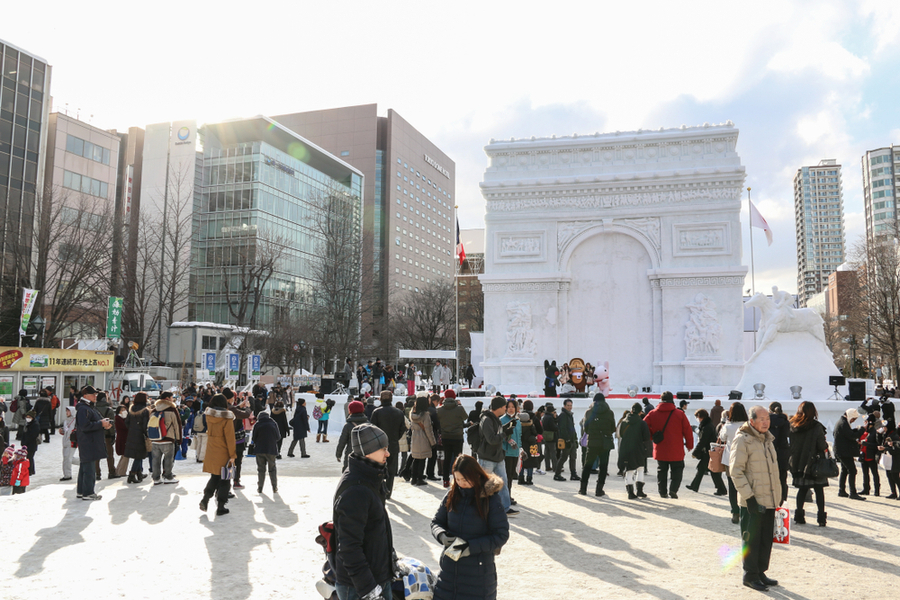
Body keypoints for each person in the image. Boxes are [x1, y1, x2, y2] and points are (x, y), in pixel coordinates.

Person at [431, 454, 510, 600]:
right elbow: (436, 522)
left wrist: (470, 547)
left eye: (465, 479)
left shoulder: (490, 500)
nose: (461, 483)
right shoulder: (452, 495)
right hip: (448, 574)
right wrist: (442, 535)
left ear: (475, 475)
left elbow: (501, 535)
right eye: (458, 479)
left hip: (478, 576)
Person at [332, 423, 395, 600]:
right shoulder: (356, 490)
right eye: (383, 448)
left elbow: (375, 528)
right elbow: (349, 547)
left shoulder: (370, 477)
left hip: (376, 576)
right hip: (359, 586)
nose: (388, 453)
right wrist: (369, 590)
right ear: (368, 451)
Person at [729, 405, 782, 592]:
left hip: (769, 499)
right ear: (751, 421)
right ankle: (750, 575)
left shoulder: (767, 440)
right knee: (752, 539)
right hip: (752, 501)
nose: (766, 422)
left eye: (767, 418)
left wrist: (778, 494)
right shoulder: (743, 440)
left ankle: (760, 571)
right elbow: (736, 471)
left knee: (766, 538)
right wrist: (749, 498)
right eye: (761, 419)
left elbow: (772, 470)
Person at [644, 391, 694, 499]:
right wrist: (690, 444)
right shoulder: (680, 414)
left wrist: (652, 436)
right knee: (677, 469)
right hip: (676, 449)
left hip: (660, 448)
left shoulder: (652, 413)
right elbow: (688, 430)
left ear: (661, 400)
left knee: (662, 470)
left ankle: (662, 492)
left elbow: (644, 425)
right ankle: (673, 489)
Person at [788, 401, 829, 526]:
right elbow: (822, 445)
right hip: (815, 462)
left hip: (799, 462)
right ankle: (821, 518)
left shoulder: (792, 426)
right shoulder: (817, 427)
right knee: (819, 490)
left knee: (802, 490)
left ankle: (799, 516)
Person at [477, 395, 517, 516]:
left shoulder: (495, 418)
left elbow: (497, 433)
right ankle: (479, 506)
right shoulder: (487, 420)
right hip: (487, 457)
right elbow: (492, 439)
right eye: (504, 406)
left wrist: (507, 427)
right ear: (498, 407)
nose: (506, 409)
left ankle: (505, 508)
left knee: (503, 482)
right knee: (483, 484)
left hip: (498, 456)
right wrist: (505, 433)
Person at [200, 394, 236, 516]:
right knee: (225, 479)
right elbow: (230, 438)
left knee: (214, 477)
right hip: (224, 452)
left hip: (211, 450)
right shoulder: (227, 418)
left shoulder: (209, 416)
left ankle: (205, 498)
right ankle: (221, 506)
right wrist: (233, 454)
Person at [75, 386, 112, 500]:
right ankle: (88, 492)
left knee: (85, 467)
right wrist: (101, 424)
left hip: (89, 441)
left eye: (96, 394)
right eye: (93, 394)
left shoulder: (88, 407)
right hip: (88, 441)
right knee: (89, 469)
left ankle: (82, 491)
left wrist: (104, 424)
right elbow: (85, 426)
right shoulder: (84, 408)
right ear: (85, 396)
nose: (95, 396)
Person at [370, 390, 407, 498]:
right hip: (393, 444)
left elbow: (372, 429)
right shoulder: (399, 412)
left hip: (379, 445)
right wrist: (395, 438)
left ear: (381, 399)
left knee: (378, 468)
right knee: (391, 469)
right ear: (391, 399)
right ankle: (388, 492)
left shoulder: (377, 412)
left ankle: (379, 490)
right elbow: (402, 428)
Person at [579, 394, 616, 497]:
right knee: (603, 467)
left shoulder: (589, 412)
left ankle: (583, 489)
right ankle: (599, 490)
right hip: (605, 443)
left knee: (587, 466)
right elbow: (613, 427)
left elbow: (585, 428)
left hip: (593, 442)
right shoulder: (609, 412)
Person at [719, 402, 749, 523]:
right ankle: (745, 510)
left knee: (732, 486)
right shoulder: (748, 425)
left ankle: (735, 512)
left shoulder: (728, 426)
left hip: (729, 458)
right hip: (745, 458)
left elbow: (722, 438)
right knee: (745, 485)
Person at [686, 408, 727, 495]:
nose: (697, 419)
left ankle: (721, 489)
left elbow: (703, 441)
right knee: (705, 470)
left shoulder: (707, 426)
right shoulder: (707, 425)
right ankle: (695, 486)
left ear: (701, 417)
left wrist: (695, 452)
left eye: (697, 417)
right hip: (708, 451)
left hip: (709, 452)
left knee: (708, 470)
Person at [618, 403, 651, 499]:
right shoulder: (642, 423)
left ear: (631, 411)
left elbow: (621, 434)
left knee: (629, 470)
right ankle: (639, 490)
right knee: (640, 469)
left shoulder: (624, 421)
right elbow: (646, 437)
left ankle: (630, 492)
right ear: (640, 412)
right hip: (639, 448)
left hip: (626, 448)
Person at [149, 392, 183, 485]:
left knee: (155, 459)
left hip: (156, 439)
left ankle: (156, 478)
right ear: (167, 398)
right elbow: (177, 425)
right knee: (168, 459)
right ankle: (168, 476)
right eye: (172, 397)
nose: (173, 399)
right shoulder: (172, 409)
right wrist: (179, 439)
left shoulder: (154, 410)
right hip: (168, 438)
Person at [436, 389, 467, 488]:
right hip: (457, 436)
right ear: (454, 397)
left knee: (447, 459)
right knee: (458, 459)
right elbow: (465, 417)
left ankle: (445, 480)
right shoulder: (459, 408)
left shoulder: (440, 410)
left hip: (446, 437)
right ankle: (458, 480)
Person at [833, 407, 866, 500]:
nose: (853, 421)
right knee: (852, 470)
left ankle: (842, 490)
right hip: (844, 452)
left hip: (841, 451)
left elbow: (848, 434)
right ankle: (852, 493)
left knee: (845, 470)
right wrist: (862, 430)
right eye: (853, 419)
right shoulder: (843, 423)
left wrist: (856, 430)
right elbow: (852, 436)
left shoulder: (842, 422)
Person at [409, 394, 437, 486]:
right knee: (422, 460)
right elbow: (429, 431)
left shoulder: (412, 414)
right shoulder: (425, 415)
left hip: (415, 438)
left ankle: (414, 478)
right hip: (423, 439)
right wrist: (433, 443)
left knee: (416, 459)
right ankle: (420, 478)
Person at [251, 409, 281, 493]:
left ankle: (260, 487)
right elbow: (278, 437)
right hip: (271, 449)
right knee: (272, 469)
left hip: (259, 450)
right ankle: (274, 487)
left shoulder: (257, 424)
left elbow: (254, 438)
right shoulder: (273, 424)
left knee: (261, 469)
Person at [124, 393, 151, 483]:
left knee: (138, 454)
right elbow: (145, 425)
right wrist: (147, 435)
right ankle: (132, 474)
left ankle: (139, 473)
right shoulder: (145, 410)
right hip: (140, 435)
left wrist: (132, 429)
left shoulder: (131, 409)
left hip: (131, 434)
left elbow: (126, 422)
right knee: (139, 456)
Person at [768, 402, 790, 505]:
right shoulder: (785, 422)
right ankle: (782, 501)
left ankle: (771, 501)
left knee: (769, 478)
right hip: (783, 453)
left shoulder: (767, 422)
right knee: (782, 479)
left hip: (770, 452)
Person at [338, 401, 371, 471]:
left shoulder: (348, 425)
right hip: (365, 455)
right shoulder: (368, 424)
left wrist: (338, 454)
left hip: (351, 454)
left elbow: (342, 441)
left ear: (350, 411)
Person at [553, 399, 580, 482]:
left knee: (573, 457)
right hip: (567, 441)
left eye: (571, 405)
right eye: (568, 405)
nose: (569, 407)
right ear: (564, 406)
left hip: (572, 440)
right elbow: (562, 429)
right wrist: (567, 439)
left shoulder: (569, 415)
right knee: (563, 457)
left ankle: (573, 474)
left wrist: (575, 439)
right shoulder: (563, 415)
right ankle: (557, 474)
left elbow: (572, 428)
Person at [500, 400, 522, 501]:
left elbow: (519, 436)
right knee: (506, 475)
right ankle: (505, 497)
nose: (511, 409)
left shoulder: (517, 421)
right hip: (506, 451)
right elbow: (500, 434)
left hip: (515, 452)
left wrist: (521, 449)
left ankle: (508, 494)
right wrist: (508, 440)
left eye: (513, 407)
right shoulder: (502, 420)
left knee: (511, 475)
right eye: (509, 407)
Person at [93, 392, 119, 480]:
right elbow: (111, 424)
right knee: (110, 455)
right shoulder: (109, 410)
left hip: (96, 435)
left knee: (96, 455)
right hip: (107, 435)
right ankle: (112, 472)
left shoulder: (93, 409)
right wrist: (113, 435)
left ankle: (97, 473)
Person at [860, 415, 882, 496]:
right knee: (865, 473)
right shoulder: (864, 431)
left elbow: (877, 444)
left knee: (874, 473)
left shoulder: (874, 432)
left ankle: (877, 490)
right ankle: (866, 489)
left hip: (871, 455)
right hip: (863, 455)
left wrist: (867, 444)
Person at [20, 410, 40, 475]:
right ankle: (31, 470)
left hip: (32, 444)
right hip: (26, 444)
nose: (27, 418)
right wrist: (23, 442)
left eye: (29, 417)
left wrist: (26, 442)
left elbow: (33, 435)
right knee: (29, 457)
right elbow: (24, 434)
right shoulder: (27, 424)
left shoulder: (35, 425)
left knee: (30, 457)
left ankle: (30, 470)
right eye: (27, 417)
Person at [541, 403, 558, 473]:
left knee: (546, 452)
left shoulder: (544, 417)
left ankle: (547, 466)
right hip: (551, 436)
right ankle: (555, 467)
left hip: (545, 436)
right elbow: (553, 427)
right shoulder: (551, 417)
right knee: (553, 452)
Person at [113, 403, 130, 477]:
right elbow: (125, 427)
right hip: (122, 439)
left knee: (124, 456)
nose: (124, 411)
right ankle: (121, 471)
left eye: (125, 409)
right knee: (125, 455)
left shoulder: (124, 418)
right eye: (122, 410)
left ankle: (119, 470)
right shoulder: (117, 418)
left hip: (125, 438)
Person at [192, 397, 209, 463]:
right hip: (204, 431)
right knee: (204, 444)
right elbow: (205, 422)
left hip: (198, 430)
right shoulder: (206, 413)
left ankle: (197, 456)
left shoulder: (198, 412)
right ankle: (202, 458)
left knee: (199, 444)